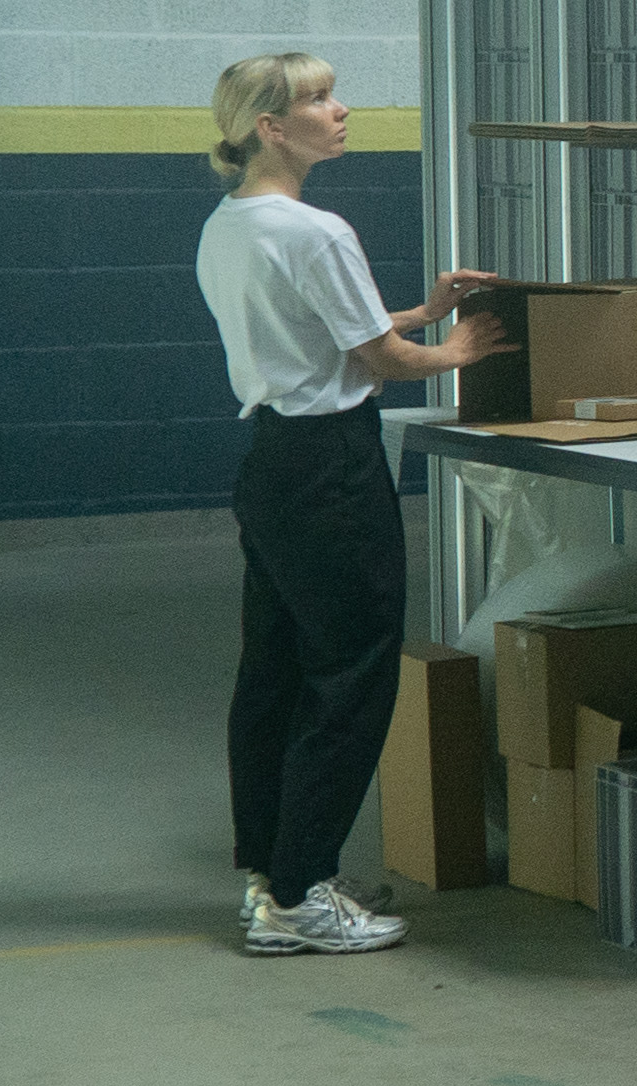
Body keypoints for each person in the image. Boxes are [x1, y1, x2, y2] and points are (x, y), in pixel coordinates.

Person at [197, 53, 501, 959]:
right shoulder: (317, 230)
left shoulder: (232, 223)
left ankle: (274, 874)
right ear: (271, 128)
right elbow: (377, 362)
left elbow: (328, 329)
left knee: (275, 675)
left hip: (273, 466)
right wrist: (461, 349)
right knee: (354, 676)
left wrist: (421, 309)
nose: (340, 110)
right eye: (317, 100)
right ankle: (300, 899)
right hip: (331, 470)